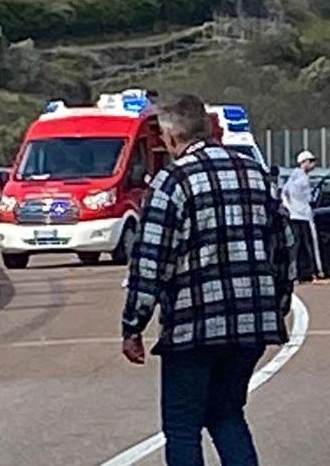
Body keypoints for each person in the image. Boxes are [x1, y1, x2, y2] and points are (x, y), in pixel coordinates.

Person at [120, 94, 293, 466]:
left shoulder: (172, 181)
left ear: (168, 138)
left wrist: (133, 325)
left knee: (182, 426)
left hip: (193, 324)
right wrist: (277, 306)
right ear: (210, 127)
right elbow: (284, 247)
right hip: (252, 321)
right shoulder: (255, 173)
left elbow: (151, 260)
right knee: (227, 413)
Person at [282, 150, 330, 285]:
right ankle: (316, 274)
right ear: (304, 163)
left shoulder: (292, 177)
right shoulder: (303, 178)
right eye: (311, 161)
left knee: (295, 246)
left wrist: (289, 208)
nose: (313, 164)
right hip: (304, 216)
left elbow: (284, 194)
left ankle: (295, 276)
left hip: (293, 215)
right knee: (310, 245)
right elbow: (309, 198)